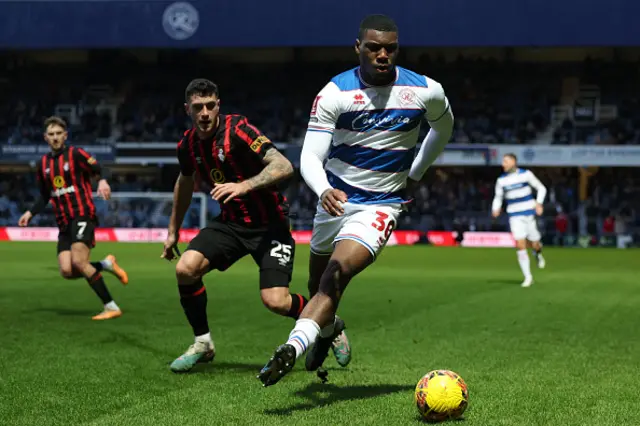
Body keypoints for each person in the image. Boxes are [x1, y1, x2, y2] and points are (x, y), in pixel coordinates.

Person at [258, 14, 454, 387]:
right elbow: (310, 157)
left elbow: (444, 127)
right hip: (334, 201)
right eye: (374, 47)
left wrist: (415, 173)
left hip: (381, 204)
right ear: (358, 48)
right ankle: (328, 330)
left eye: (390, 48)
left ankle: (290, 350)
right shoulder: (335, 93)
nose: (383, 55)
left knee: (337, 275)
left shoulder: (426, 90)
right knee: (318, 286)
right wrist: (324, 190)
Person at [162, 78, 314, 373]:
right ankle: (203, 343)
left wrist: (245, 185)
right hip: (231, 225)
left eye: (209, 106)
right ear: (187, 110)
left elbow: (283, 166)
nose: (204, 113)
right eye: (197, 107)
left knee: (276, 301)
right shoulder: (187, 145)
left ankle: (327, 321)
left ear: (218, 105)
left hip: (271, 226)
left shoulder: (239, 131)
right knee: (185, 269)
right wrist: (172, 231)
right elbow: (184, 181)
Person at [18, 116, 129, 320]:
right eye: (51, 134)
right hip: (63, 222)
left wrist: (103, 181)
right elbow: (45, 195)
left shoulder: (76, 154)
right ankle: (105, 265)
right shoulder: (43, 164)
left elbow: (102, 168)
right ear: (45, 137)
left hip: (82, 214)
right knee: (67, 271)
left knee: (79, 261)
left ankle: (111, 306)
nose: (55, 138)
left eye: (59, 133)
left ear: (65, 135)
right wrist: (30, 213)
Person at [491, 153, 547, 287]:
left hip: (529, 213)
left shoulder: (526, 174)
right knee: (520, 244)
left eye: (505, 161)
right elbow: (498, 197)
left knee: (535, 243)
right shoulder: (501, 181)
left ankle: (537, 253)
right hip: (514, 215)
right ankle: (528, 277)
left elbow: (541, 188)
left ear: (513, 162)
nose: (503, 164)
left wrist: (539, 203)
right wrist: (495, 208)